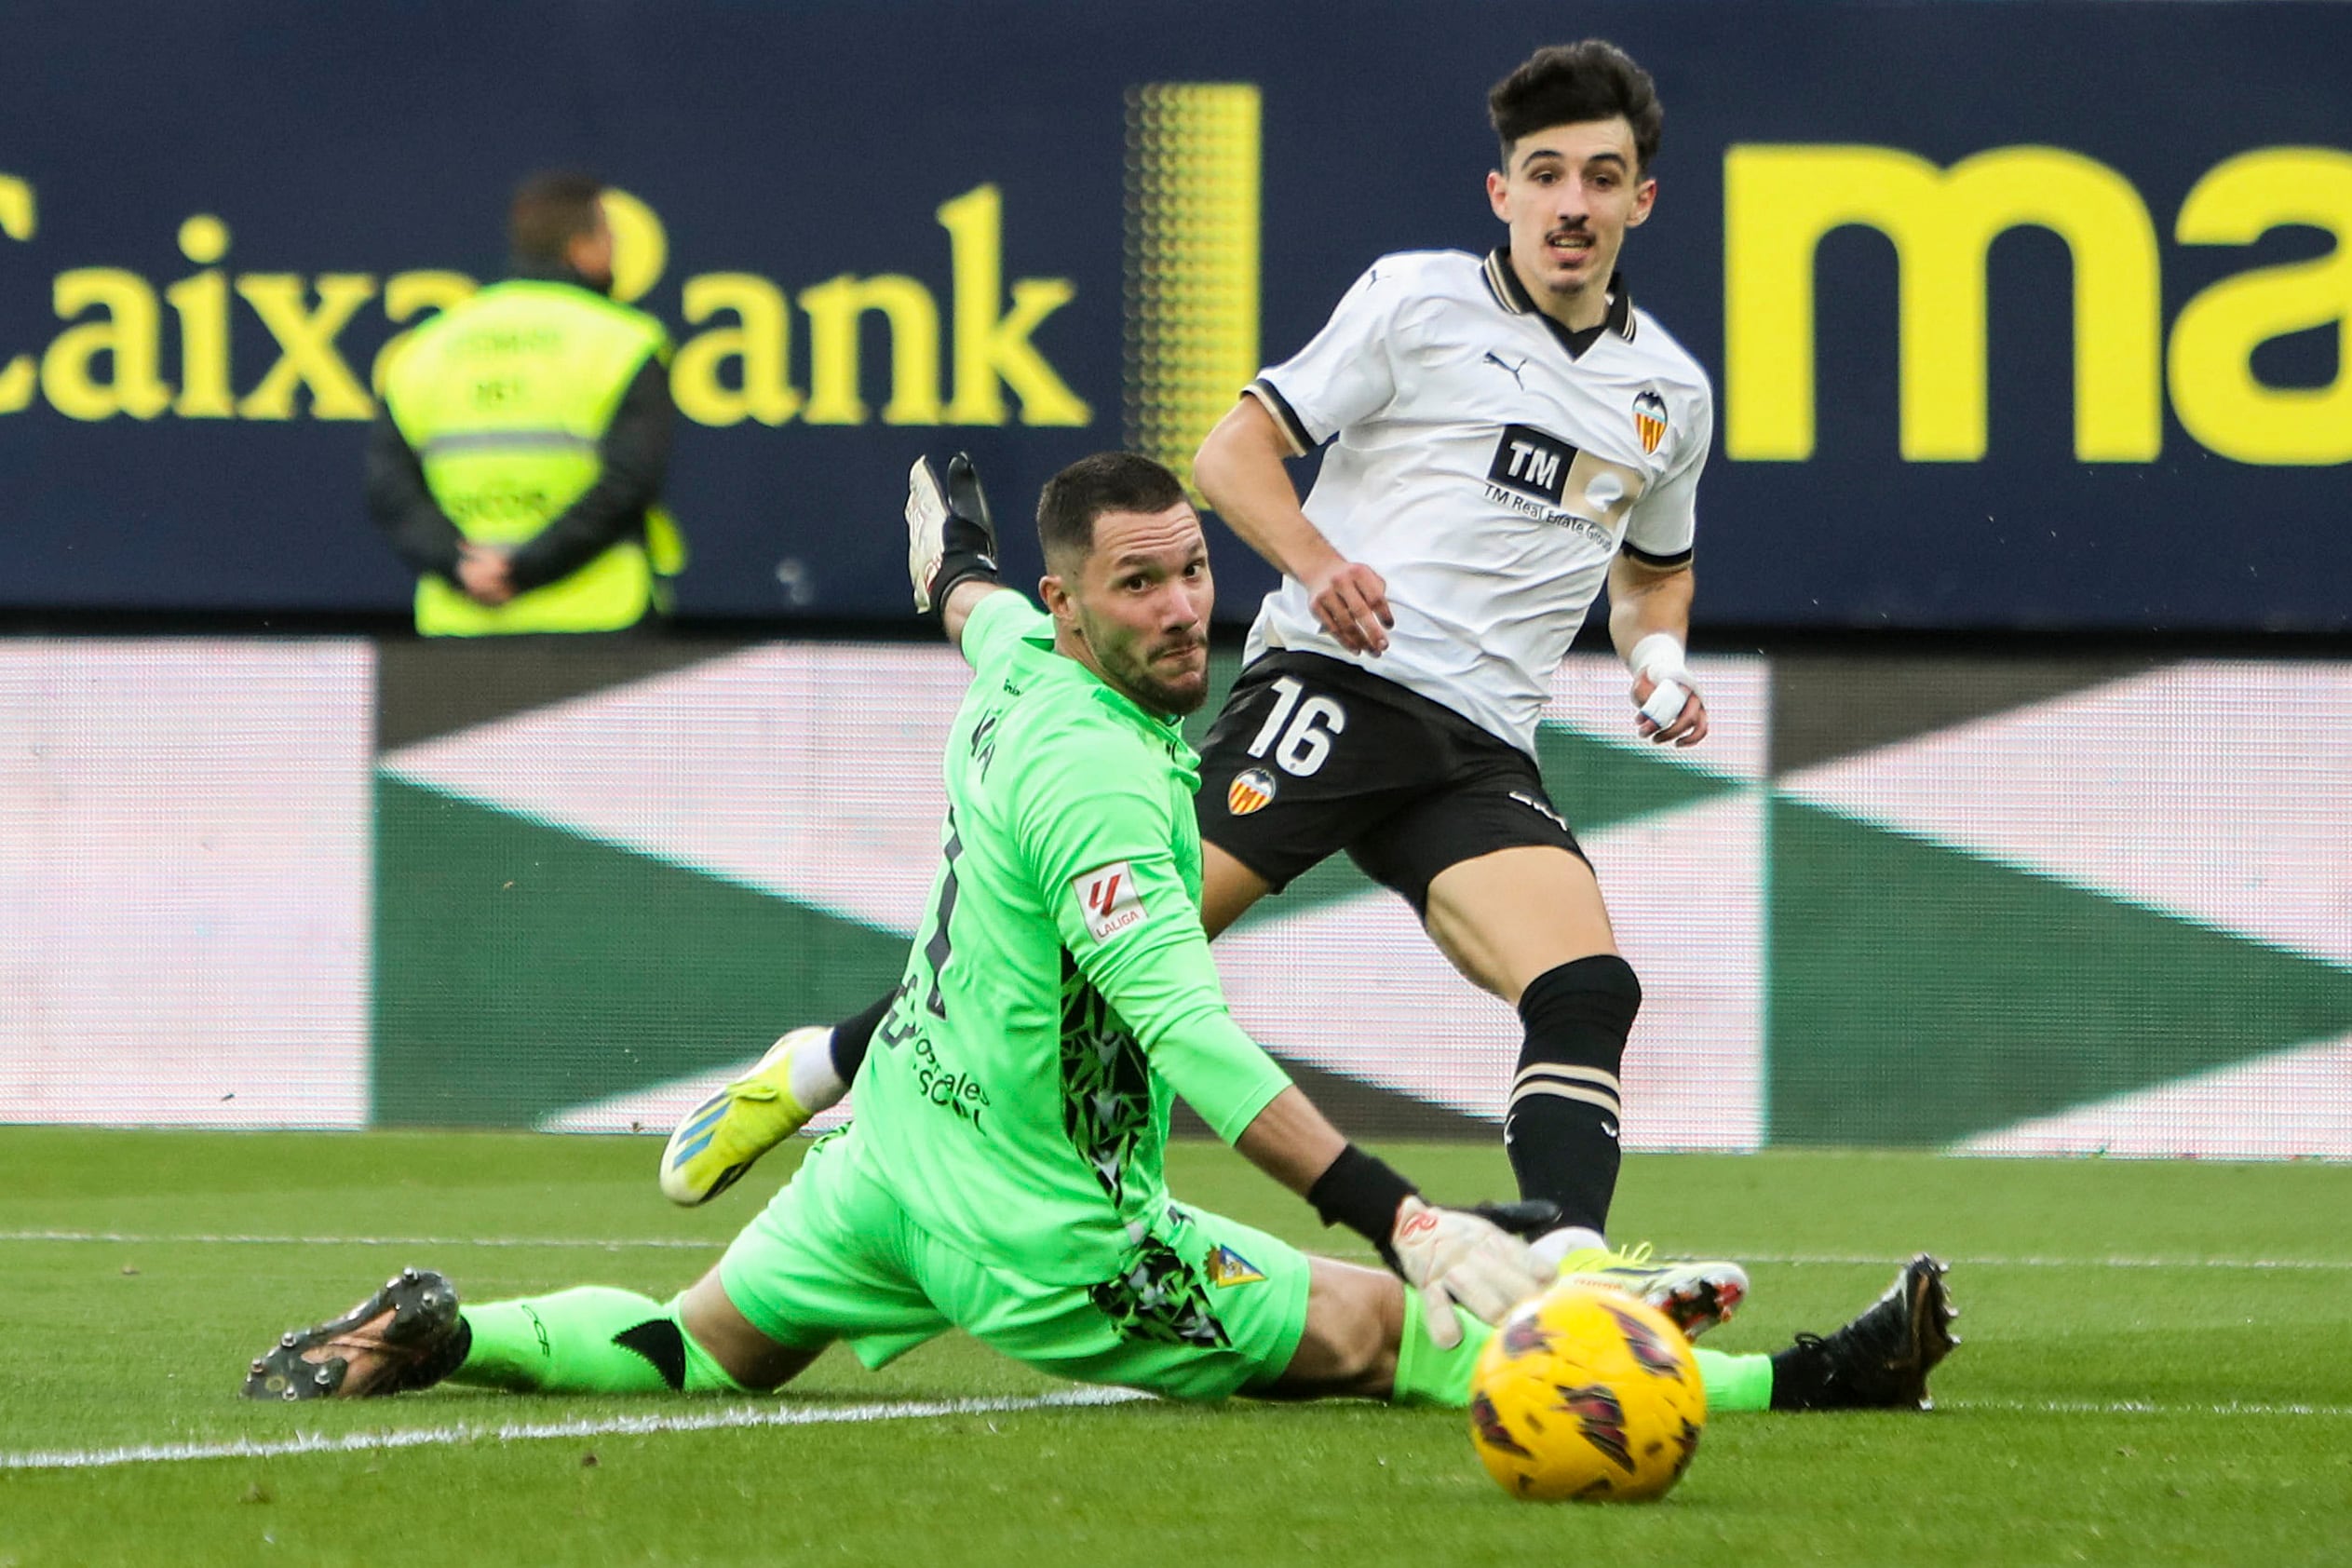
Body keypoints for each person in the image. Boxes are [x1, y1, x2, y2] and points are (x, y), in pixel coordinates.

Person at [246, 453, 1957, 1418]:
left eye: (1192, 572)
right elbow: (1193, 1038)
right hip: (1048, 1224)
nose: (1183, 607)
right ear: (1081, 610)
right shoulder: (1105, 788)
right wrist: (1402, 1210)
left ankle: (446, 1328)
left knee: (701, 1345)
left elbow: (964, 598)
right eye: (1137, 586)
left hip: (891, 1157)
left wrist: (949, 547)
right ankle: (1801, 1381)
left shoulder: (1017, 657)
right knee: (1387, 1327)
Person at [663, 41, 1739, 1318]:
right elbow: (1229, 459)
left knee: (1585, 986)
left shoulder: (1667, 393)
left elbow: (1651, 575)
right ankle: (821, 1073)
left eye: (1600, 178)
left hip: (1480, 747)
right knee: (1097, 957)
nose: (1571, 202)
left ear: (1641, 203)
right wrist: (1320, 565)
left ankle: (1556, 1269)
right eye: (1544, 174)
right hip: (1337, 692)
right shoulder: (1416, 301)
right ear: (1500, 192)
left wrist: (1658, 658)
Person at [366, 169, 685, 636]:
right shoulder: (625, 344)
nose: (615, 248)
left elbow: (390, 488)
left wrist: (463, 568)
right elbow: (630, 482)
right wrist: (524, 569)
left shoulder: (427, 347)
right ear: (580, 247)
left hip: (461, 624)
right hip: (599, 619)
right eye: (609, 236)